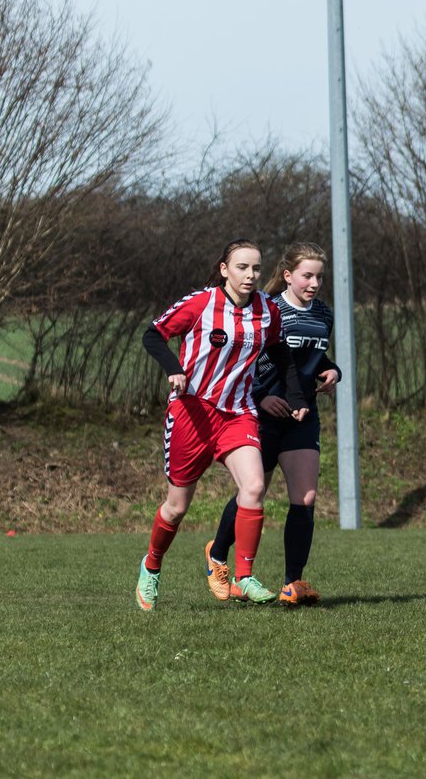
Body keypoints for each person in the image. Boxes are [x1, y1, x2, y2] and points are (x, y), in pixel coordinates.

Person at [135, 239, 309, 611]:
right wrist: (175, 370)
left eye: (257, 268)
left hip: (238, 413)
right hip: (192, 414)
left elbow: (281, 352)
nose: (250, 275)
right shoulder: (201, 303)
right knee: (177, 507)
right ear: (224, 269)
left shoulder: (266, 309)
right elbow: (154, 335)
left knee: (255, 486)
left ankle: (243, 576)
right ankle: (151, 567)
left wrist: (296, 398)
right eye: (243, 267)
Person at [205, 242, 341, 606]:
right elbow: (243, 360)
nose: (314, 283)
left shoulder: (324, 314)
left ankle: (292, 584)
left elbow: (312, 355)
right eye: (307, 275)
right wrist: (263, 397)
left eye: (319, 277)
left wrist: (332, 370)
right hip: (260, 414)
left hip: (301, 416)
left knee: (306, 497)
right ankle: (217, 555)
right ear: (287, 276)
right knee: (253, 493)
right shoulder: (268, 310)